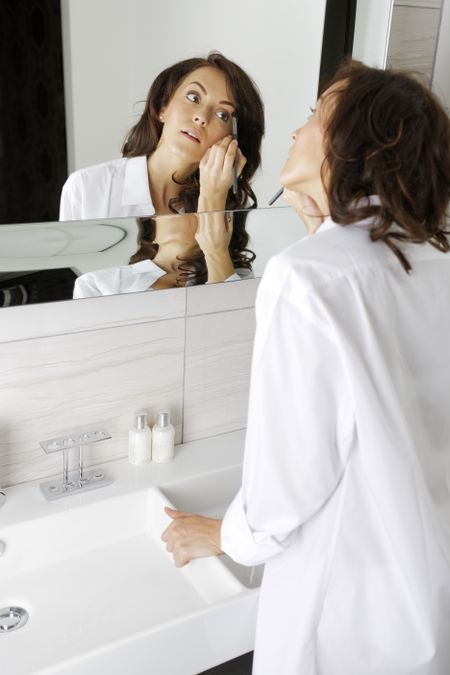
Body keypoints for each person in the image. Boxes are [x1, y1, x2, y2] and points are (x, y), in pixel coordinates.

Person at [161, 59, 450, 675]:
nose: (294, 134)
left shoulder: (307, 280)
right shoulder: (430, 258)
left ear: (349, 145)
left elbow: (283, 492)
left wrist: (222, 536)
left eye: (314, 116)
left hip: (344, 622)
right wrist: (324, 227)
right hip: (422, 610)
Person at [59, 52, 264, 221]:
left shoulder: (223, 205)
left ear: (231, 138)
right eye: (193, 97)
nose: (201, 117)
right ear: (162, 106)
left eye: (222, 114)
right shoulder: (87, 188)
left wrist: (214, 200)